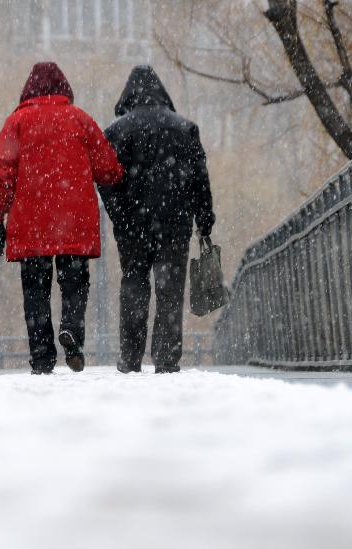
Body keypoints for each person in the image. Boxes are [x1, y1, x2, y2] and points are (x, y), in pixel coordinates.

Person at [0, 62, 123, 374]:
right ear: (64, 89)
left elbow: (1, 171)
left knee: (35, 290)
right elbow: (108, 168)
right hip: (74, 218)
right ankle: (72, 330)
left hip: (30, 222)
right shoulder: (79, 119)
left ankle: (41, 357)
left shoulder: (17, 122)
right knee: (75, 282)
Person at [98, 65, 216, 374]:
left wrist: (120, 218)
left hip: (133, 226)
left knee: (134, 284)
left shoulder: (117, 131)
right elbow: (199, 180)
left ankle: (130, 357)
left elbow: (107, 182)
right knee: (170, 289)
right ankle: (166, 358)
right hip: (174, 223)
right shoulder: (185, 129)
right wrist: (204, 219)